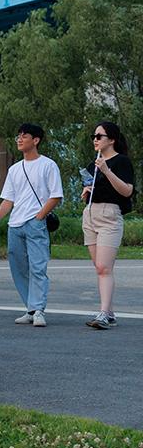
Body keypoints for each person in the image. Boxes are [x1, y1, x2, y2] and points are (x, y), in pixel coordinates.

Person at [0, 123, 63, 327]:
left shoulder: (48, 165)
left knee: (38, 267)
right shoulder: (14, 169)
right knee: (18, 267)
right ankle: (30, 308)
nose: (19, 139)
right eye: (18, 136)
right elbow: (8, 200)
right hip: (15, 224)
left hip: (35, 223)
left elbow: (56, 195)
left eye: (24, 136)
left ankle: (38, 309)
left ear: (35, 140)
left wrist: (39, 216)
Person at [82, 121, 135, 329]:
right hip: (90, 214)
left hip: (109, 215)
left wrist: (107, 170)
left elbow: (127, 191)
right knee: (99, 268)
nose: (95, 140)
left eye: (99, 136)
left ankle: (104, 313)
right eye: (94, 136)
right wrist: (86, 191)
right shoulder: (92, 164)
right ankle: (109, 312)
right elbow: (91, 187)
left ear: (111, 139)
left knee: (104, 267)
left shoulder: (121, 162)